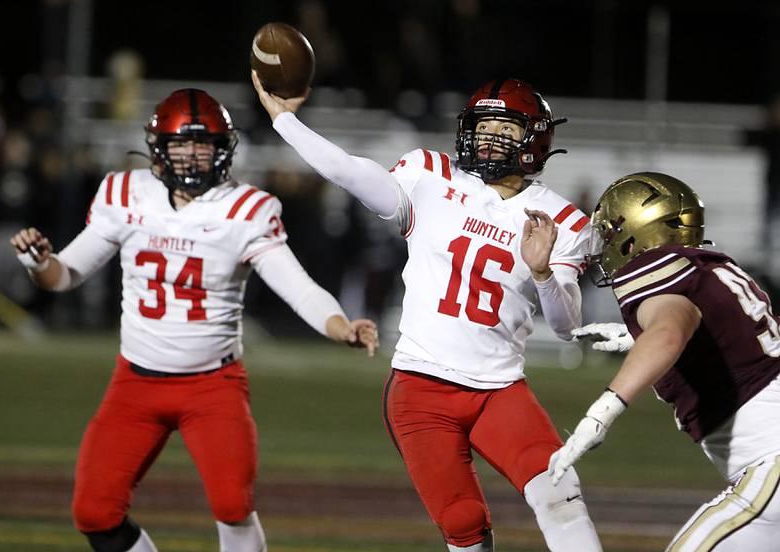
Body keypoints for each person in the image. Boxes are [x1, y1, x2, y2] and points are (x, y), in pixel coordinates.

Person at [10, 88, 378, 552]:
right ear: (159, 148)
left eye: (203, 144)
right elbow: (63, 276)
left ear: (223, 149)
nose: (192, 155)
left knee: (232, 505)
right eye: (182, 144)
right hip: (135, 383)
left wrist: (340, 325)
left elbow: (298, 286)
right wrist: (38, 263)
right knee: (94, 511)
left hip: (212, 386)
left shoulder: (246, 208)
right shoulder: (127, 194)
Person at [252, 73, 603, 552]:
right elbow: (348, 171)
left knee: (561, 495)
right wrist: (286, 122)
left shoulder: (561, 219)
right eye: (485, 126)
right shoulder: (428, 176)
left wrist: (543, 273)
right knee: (464, 525)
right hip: (420, 388)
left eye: (507, 130)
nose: (491, 138)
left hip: (498, 389)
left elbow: (567, 328)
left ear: (534, 141)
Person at [548, 172, 780, 551]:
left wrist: (600, 414)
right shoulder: (709, 265)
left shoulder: (657, 267)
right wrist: (634, 336)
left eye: (609, 234)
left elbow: (670, 332)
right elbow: (720, 333)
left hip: (771, 460)